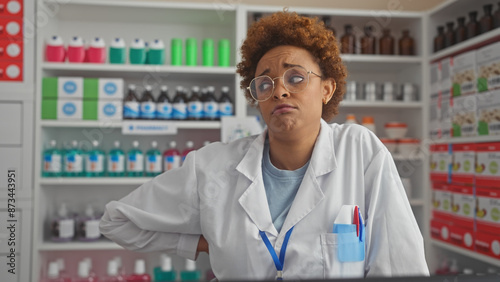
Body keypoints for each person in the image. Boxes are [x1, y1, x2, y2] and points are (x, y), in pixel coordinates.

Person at [100, 11, 429, 280]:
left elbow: (400, 264)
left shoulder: (359, 151)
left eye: (295, 78)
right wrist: (204, 244)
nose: (279, 91)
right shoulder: (212, 167)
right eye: (264, 83)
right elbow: (116, 221)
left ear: (327, 89)